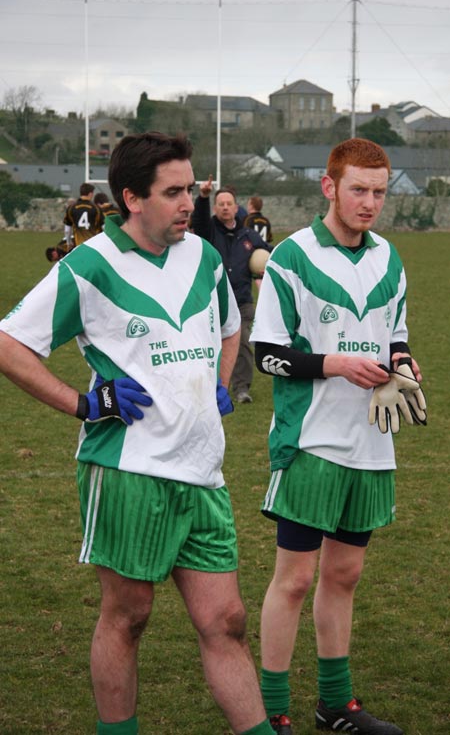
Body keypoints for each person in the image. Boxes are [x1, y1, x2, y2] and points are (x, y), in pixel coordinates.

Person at [0, 132, 275, 735]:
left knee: (226, 620)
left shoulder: (202, 255)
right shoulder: (89, 265)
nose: (188, 203)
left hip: (204, 472)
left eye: (190, 189)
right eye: (173, 192)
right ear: (131, 198)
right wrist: (81, 402)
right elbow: (9, 343)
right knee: (129, 618)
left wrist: (219, 384)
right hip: (129, 470)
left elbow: (231, 327)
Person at [249, 138, 426, 735]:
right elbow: (266, 354)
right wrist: (334, 364)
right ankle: (272, 711)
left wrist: (403, 363)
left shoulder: (390, 259)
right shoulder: (292, 258)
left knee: (344, 576)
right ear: (329, 187)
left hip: (372, 441)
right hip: (310, 441)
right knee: (295, 578)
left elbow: (395, 334)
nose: (370, 202)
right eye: (358, 189)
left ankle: (335, 705)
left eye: (378, 192)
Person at [192, 175, 271, 405]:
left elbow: (269, 254)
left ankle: (242, 388)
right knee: (208, 345)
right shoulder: (209, 232)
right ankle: (206, 385)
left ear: (237, 208)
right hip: (212, 301)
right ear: (215, 208)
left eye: (229, 204)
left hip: (243, 301)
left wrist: (267, 265)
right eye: (221, 204)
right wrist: (203, 197)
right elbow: (199, 220)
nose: (225, 207)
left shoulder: (249, 236)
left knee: (244, 344)